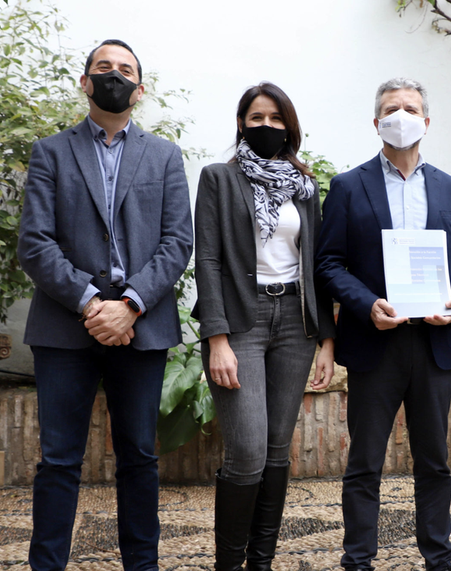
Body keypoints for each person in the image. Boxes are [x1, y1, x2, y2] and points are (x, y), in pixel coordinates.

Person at [17, 39, 193, 571]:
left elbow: (177, 242)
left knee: (139, 456)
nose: (114, 75)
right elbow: (35, 243)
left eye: (125, 70)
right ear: (85, 81)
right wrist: (93, 301)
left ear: (139, 89)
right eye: (103, 67)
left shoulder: (164, 155)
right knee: (59, 460)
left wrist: (130, 304)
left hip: (141, 325)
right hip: (65, 325)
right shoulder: (51, 151)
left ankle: (142, 564)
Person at [316, 77, 451, 571]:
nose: (400, 116)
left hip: (432, 341)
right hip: (374, 342)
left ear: (426, 121)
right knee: (365, 462)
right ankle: (358, 559)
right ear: (376, 121)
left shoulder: (449, 187)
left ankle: (439, 558)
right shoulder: (348, 186)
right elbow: (329, 263)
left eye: (410, 108)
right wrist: (366, 305)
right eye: (391, 109)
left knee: (434, 462)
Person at [193, 82, 336, 571]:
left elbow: (314, 264)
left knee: (277, 450)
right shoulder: (219, 178)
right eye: (257, 118)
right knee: (248, 449)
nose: (267, 126)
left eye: (276, 119)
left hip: (295, 321)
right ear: (241, 123)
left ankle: (261, 562)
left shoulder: (305, 186)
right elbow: (208, 260)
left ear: (289, 126)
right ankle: (229, 564)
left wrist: (326, 339)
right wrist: (217, 338)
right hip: (241, 322)